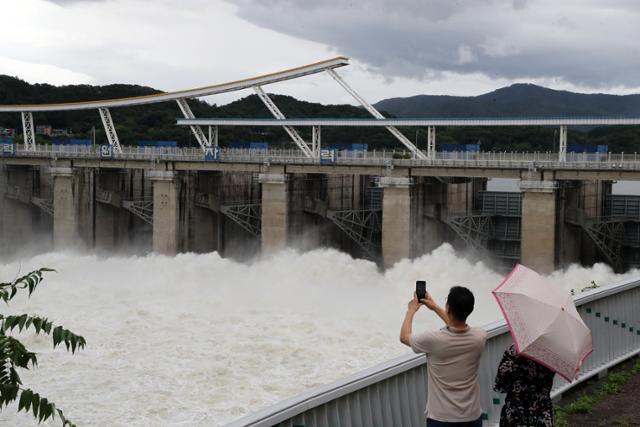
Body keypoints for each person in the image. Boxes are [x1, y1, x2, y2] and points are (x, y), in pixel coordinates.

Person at [400, 286, 487, 427]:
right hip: (472, 417)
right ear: (470, 309)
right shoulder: (480, 337)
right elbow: (457, 325)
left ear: (448, 307)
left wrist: (411, 310)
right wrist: (434, 307)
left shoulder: (434, 340)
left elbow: (404, 337)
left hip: (441, 419)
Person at [494, 344, 555, 426]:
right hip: (542, 413)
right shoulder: (553, 354)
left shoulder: (514, 351)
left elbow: (500, 385)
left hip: (515, 413)